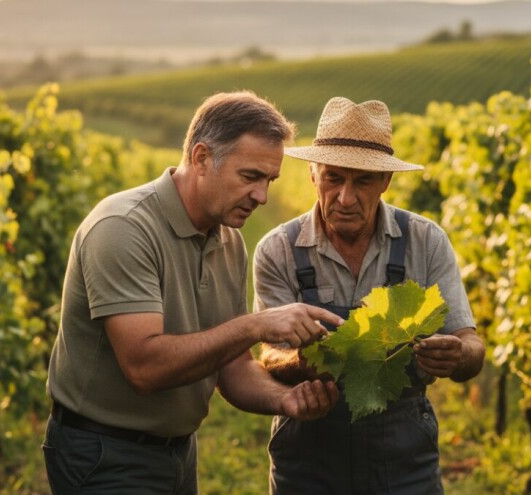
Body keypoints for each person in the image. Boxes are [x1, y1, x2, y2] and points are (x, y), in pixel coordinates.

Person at [43, 91, 342, 495]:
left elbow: (232, 368)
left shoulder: (229, 241)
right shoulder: (123, 228)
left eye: (269, 181)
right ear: (201, 159)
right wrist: (255, 325)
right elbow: (145, 369)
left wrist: (284, 401)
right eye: (250, 176)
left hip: (178, 452)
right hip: (104, 453)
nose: (262, 196)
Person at [254, 96, 485, 494]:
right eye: (333, 179)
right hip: (310, 454)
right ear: (313, 175)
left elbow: (471, 346)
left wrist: (458, 355)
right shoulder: (278, 250)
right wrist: (307, 362)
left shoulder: (425, 242)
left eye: (362, 181)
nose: (345, 198)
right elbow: (269, 355)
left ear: (386, 182)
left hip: (403, 453)